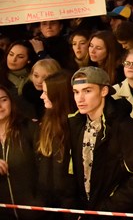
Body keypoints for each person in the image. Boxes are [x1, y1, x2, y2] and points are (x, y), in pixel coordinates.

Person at [69, 66, 133, 213]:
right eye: (76, 92)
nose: (80, 98)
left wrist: (109, 207)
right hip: (90, 211)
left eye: (87, 91)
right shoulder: (76, 125)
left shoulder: (127, 128)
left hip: (119, 212)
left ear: (104, 91)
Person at [0, 84, 43, 219]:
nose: (0, 106)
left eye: (4, 99)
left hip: (34, 210)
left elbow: (45, 169)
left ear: (11, 101)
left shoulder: (29, 127)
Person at [37, 71, 76, 214]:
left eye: (46, 92)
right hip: (47, 203)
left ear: (58, 95)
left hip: (71, 206)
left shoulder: (76, 126)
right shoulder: (47, 123)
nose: (41, 96)